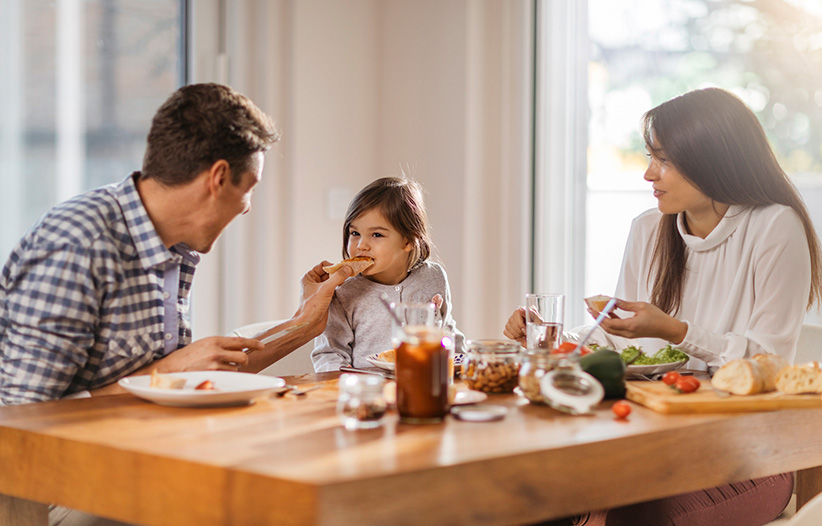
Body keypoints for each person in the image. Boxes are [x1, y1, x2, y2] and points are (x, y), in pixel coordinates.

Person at [505, 87, 822, 526]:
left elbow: (764, 365)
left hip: (752, 454)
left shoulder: (774, 227)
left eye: (664, 160)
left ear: (713, 159)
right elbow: (615, 340)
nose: (649, 174)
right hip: (655, 439)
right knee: (533, 497)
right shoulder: (649, 229)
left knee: (628, 517)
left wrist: (675, 331)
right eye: (650, 157)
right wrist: (553, 337)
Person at [0, 83, 354, 408]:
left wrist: (305, 324)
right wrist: (172, 372)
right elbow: (20, 416)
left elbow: (191, 378)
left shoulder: (171, 249)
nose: (247, 205)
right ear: (217, 179)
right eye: (250, 187)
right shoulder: (77, 244)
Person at [312, 176, 464, 372]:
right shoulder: (342, 292)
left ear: (408, 241)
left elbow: (447, 331)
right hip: (368, 392)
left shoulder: (434, 276)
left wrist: (466, 365)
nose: (361, 245)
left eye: (376, 235)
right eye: (355, 233)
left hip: (423, 384)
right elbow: (329, 354)